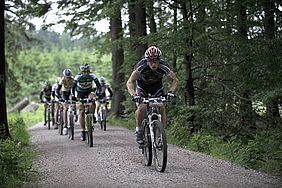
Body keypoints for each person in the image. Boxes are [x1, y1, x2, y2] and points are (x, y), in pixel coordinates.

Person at [126, 46, 179, 144]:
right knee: (142, 107)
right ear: (147, 60)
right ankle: (139, 130)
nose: (153, 64)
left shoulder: (164, 66)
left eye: (156, 61)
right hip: (142, 87)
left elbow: (175, 80)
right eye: (150, 61)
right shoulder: (141, 66)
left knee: (161, 106)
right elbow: (130, 82)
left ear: (160, 60)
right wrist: (134, 95)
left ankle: (162, 134)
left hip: (156, 87)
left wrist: (171, 92)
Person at [73, 63, 102, 141]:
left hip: (89, 91)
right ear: (82, 71)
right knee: (81, 112)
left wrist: (99, 93)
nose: (86, 73)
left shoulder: (92, 75)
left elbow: (99, 86)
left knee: (92, 99)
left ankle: (92, 115)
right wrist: (73, 96)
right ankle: (82, 131)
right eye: (84, 72)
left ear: (89, 71)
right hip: (80, 93)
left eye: (87, 71)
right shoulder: (78, 77)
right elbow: (73, 88)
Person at [56, 69, 75, 135]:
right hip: (64, 93)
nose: (68, 78)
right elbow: (57, 90)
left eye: (69, 77)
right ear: (64, 76)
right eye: (67, 77)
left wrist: (75, 96)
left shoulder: (73, 79)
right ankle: (65, 126)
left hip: (70, 93)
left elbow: (76, 88)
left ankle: (73, 115)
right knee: (65, 108)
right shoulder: (62, 80)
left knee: (73, 103)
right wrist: (59, 97)